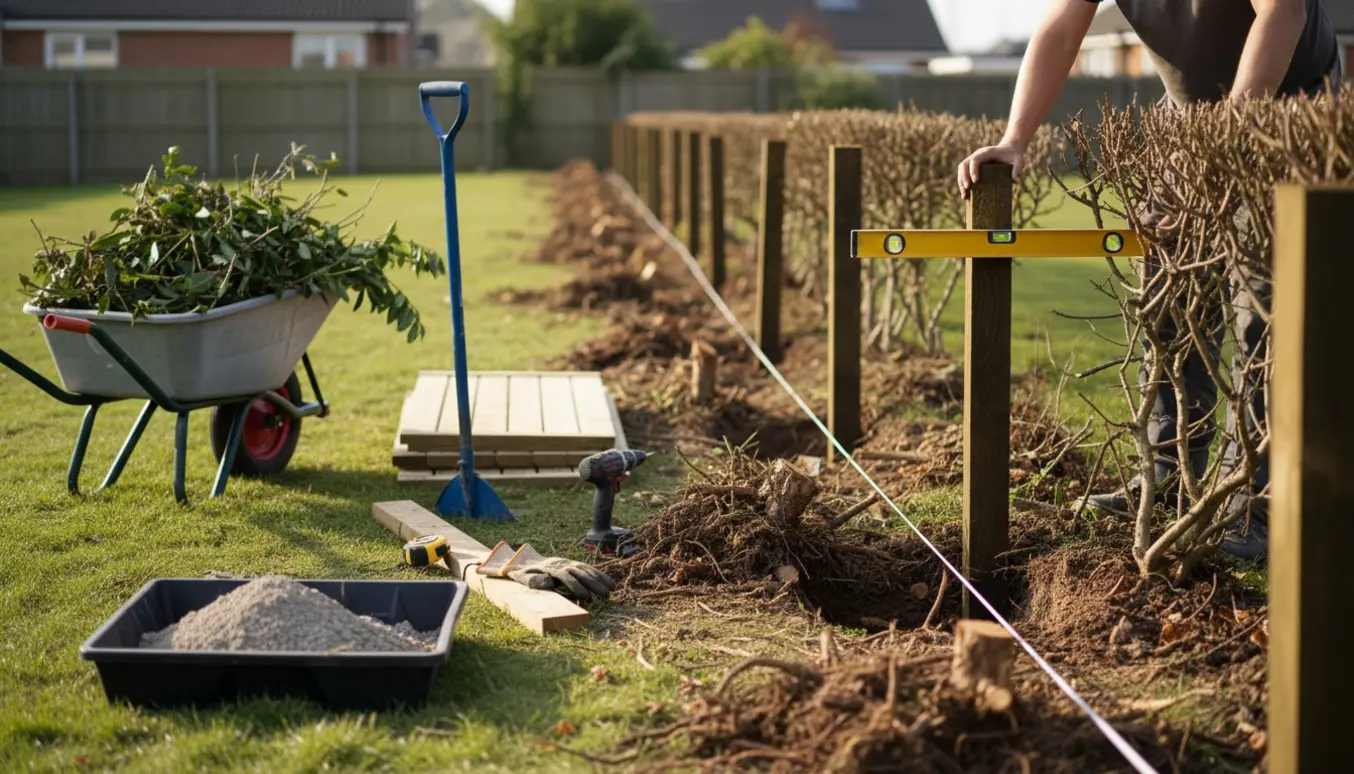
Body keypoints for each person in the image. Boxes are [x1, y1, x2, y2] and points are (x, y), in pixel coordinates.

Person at [957, 0, 1343, 562]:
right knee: (1170, 303)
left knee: (1265, 317)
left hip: (1289, 113)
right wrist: (1016, 136)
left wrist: (1218, 152)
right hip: (1190, 119)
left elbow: (1282, 13)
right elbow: (1062, 29)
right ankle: (1164, 477)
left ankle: (1255, 509)